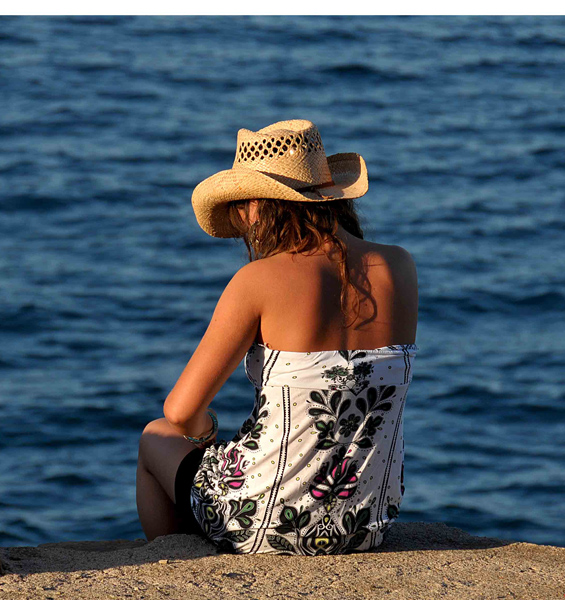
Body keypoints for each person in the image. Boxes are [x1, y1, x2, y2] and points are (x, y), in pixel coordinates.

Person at [136, 119, 418, 555]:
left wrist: (205, 432)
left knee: (156, 436)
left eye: (243, 205)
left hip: (266, 524)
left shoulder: (259, 280)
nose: (242, 220)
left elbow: (180, 410)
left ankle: (176, 564)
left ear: (261, 205)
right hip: (364, 524)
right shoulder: (400, 267)